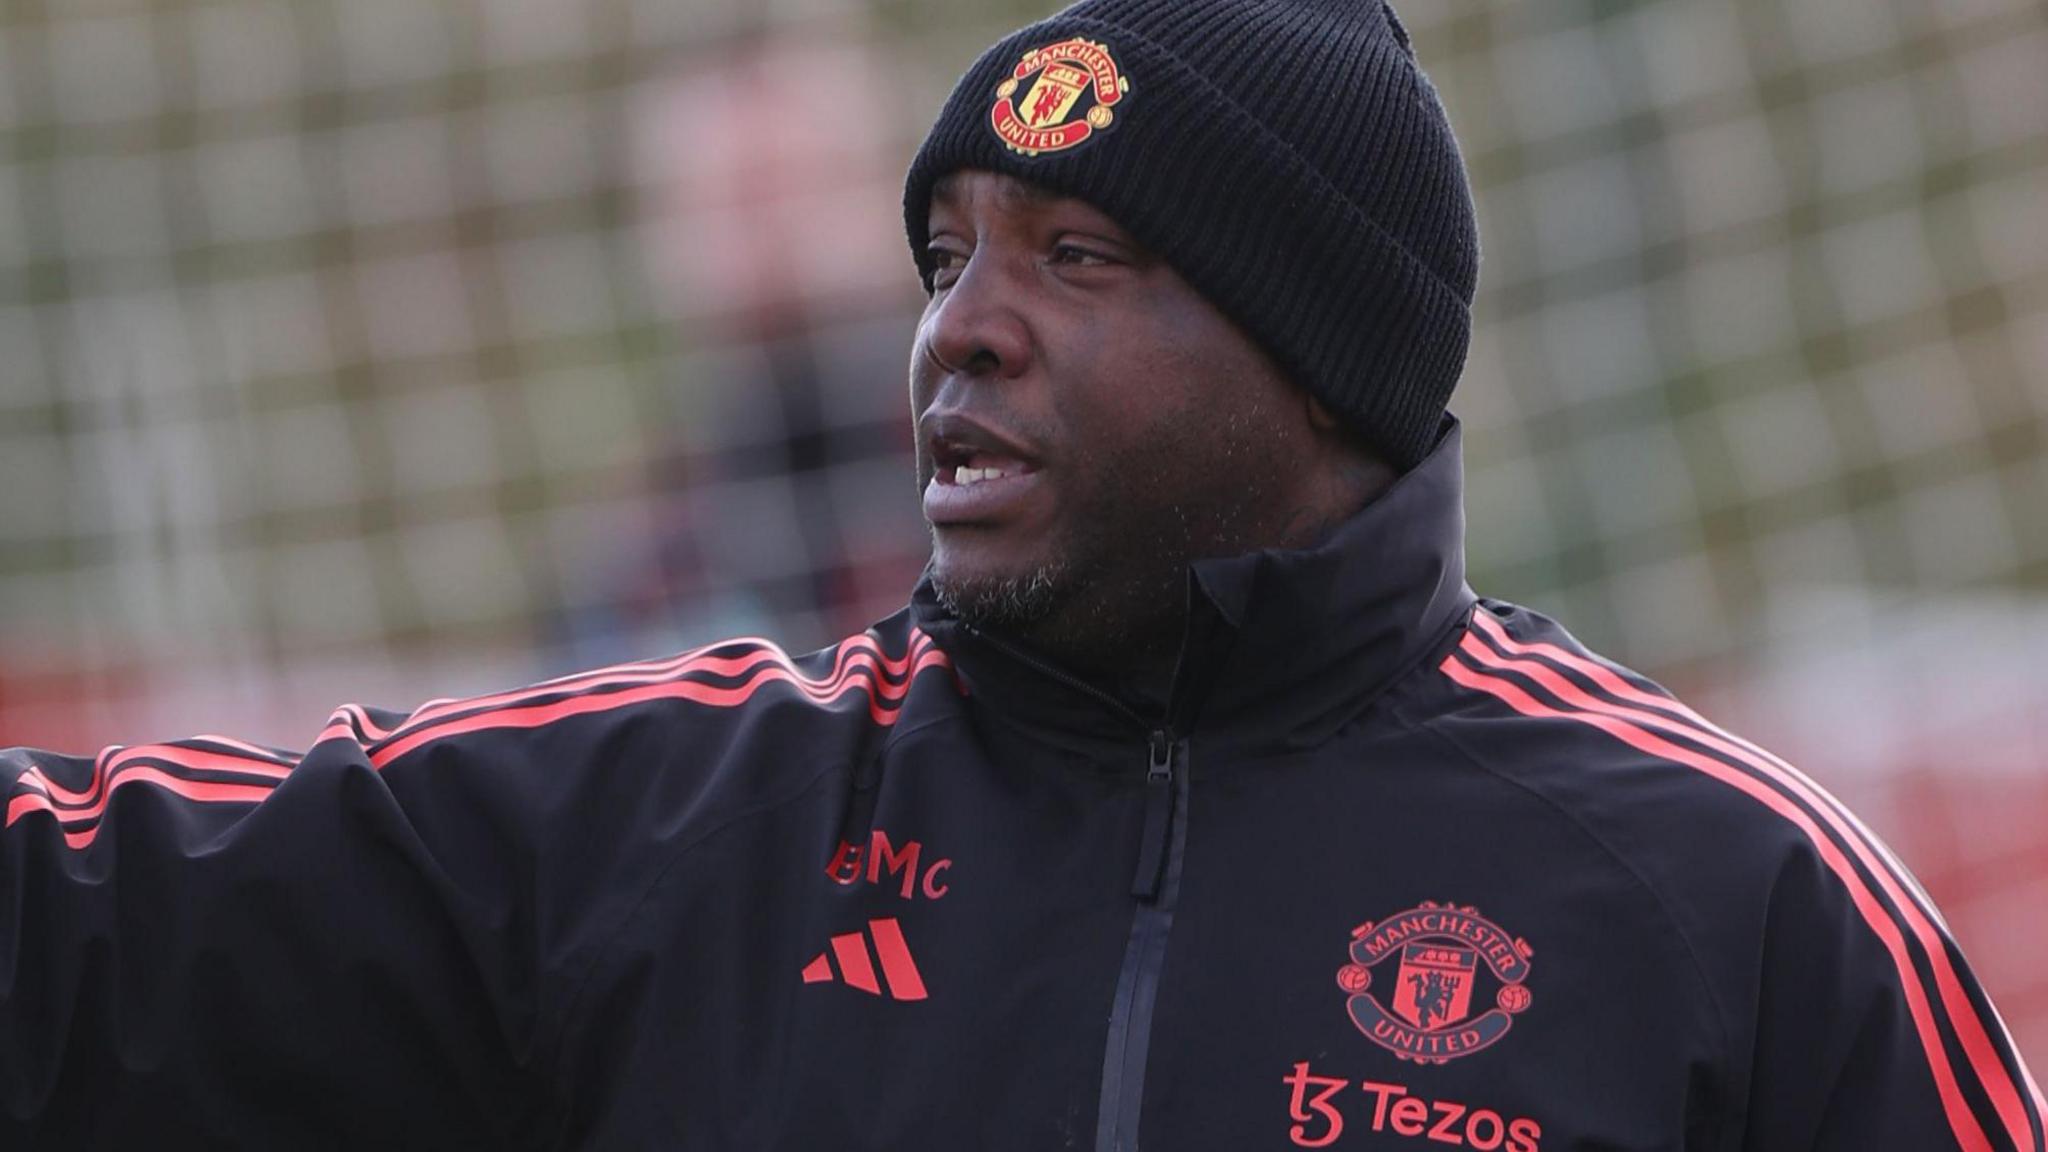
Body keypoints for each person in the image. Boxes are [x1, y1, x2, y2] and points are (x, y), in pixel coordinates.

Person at [2, 0, 2040, 1148]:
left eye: (1075, 258)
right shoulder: (683, 818)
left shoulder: (1735, 899)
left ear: (1314, 364)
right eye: (943, 253)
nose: (958, 330)